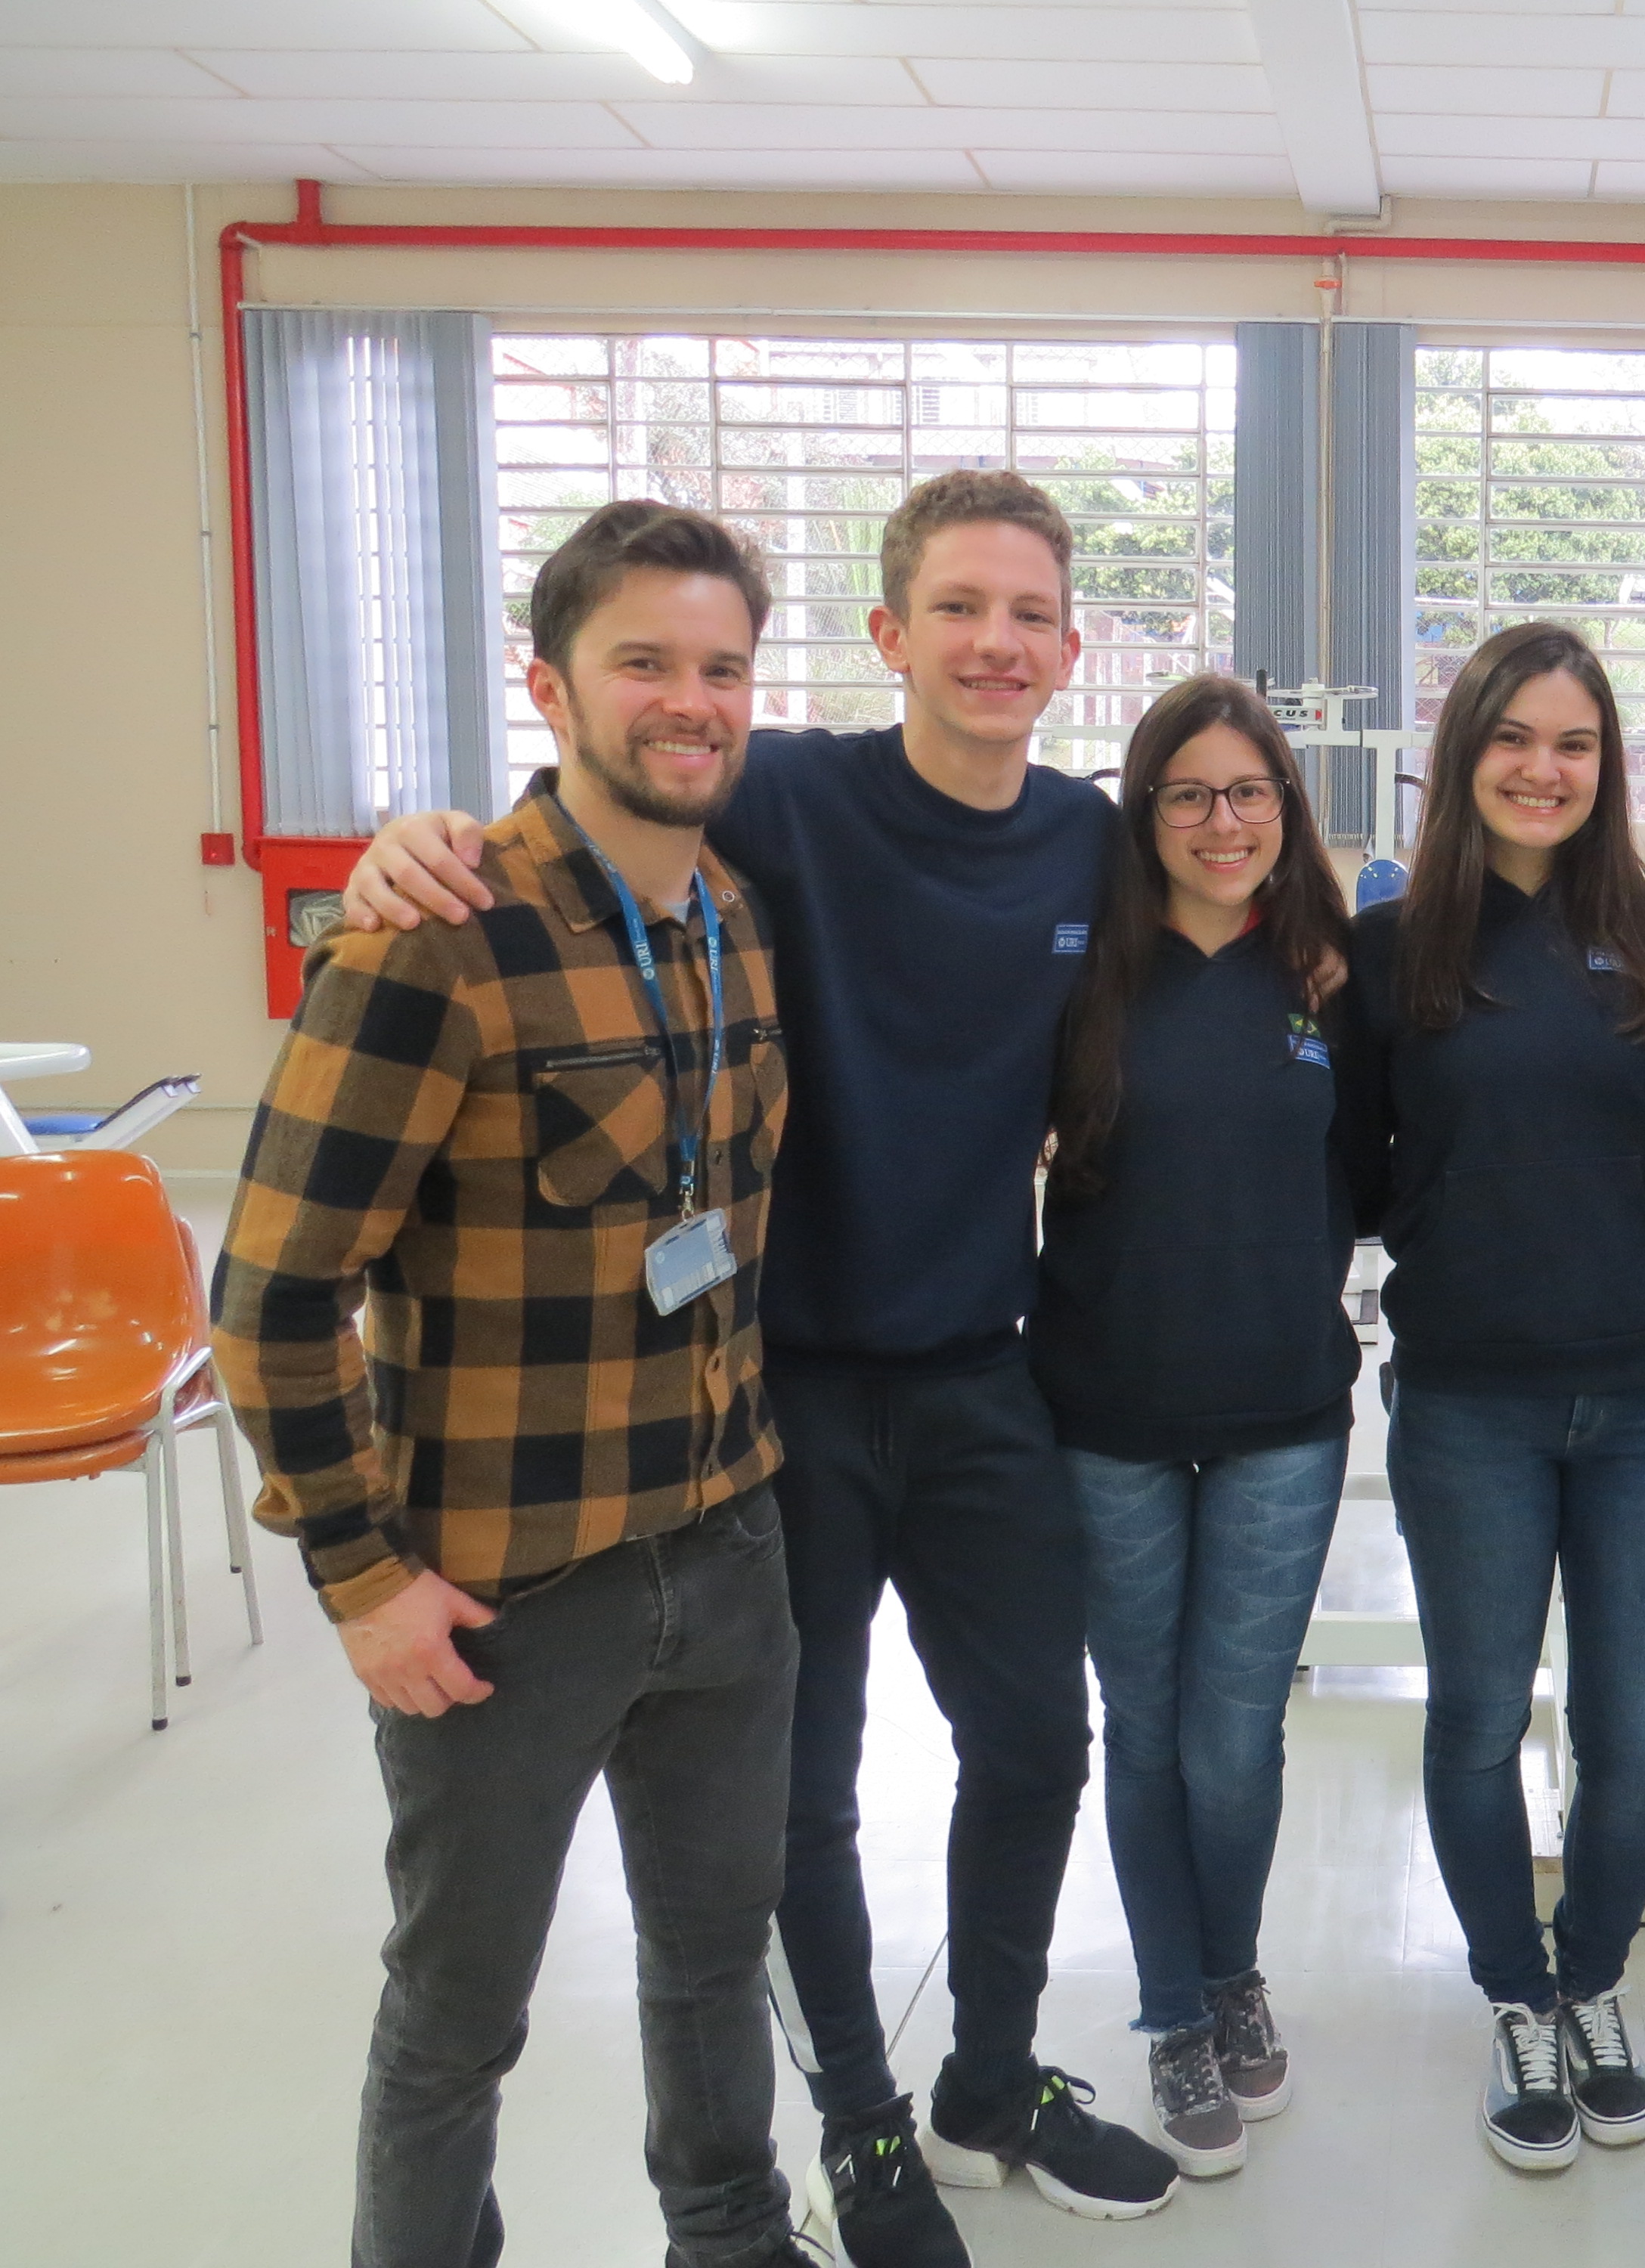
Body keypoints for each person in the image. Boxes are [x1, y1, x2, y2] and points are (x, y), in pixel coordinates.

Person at [339, 472, 1176, 2266]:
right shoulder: (783, 792)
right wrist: (406, 843)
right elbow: (596, 802)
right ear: (888, 635)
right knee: (801, 1796)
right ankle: (861, 2127)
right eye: (958, 608)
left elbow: (1228, 927)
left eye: (1030, 615)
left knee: (1038, 1743)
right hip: (770, 1392)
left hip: (980, 1375)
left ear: (1069, 651)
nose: (996, 643)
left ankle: (991, 2078)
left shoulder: (1083, 843)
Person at [212, 501, 816, 2268]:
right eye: (644, 661)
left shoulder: (734, 918)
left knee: (713, 1955)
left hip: (724, 1543)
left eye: (721, 667)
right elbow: (271, 1296)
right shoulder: (433, 935)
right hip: (502, 1595)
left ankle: (729, 2237)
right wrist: (361, 1576)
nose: (688, 700)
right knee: (457, 2013)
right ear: (547, 684)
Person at [1338, 621, 1645, 2174]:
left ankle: (1593, 1981)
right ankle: (1513, 1993)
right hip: (1469, 1406)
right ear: (1463, 754)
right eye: (1512, 737)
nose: (1542, 769)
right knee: (1479, 1715)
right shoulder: (1389, 952)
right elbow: (1348, 1165)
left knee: (1633, 1732)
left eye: (1573, 743)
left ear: (1605, 764)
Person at [1032, 674, 1365, 2178]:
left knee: (1233, 1741)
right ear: (1145, 810)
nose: (1221, 821)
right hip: (1107, 1412)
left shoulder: (1331, 979)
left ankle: (1232, 1973)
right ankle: (1173, 2009)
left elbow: (1379, 1165)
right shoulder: (1085, 970)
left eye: (1248, 792)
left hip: (1281, 1414)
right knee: (1144, 1728)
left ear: (1283, 805)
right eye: (1188, 794)